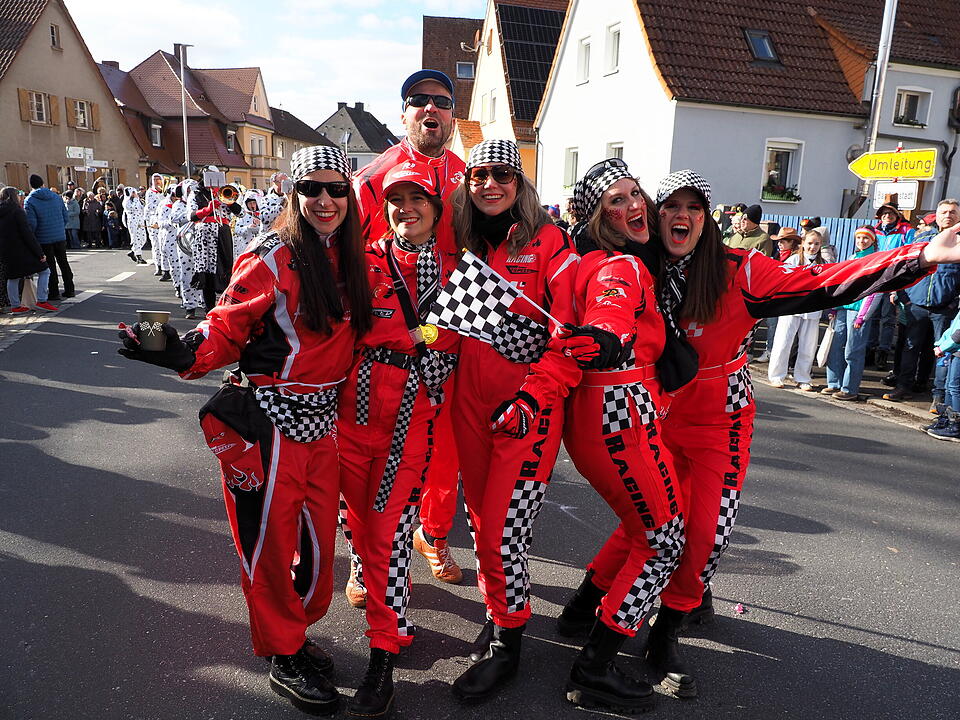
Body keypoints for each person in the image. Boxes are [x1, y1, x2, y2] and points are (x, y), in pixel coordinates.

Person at [559, 169, 960, 698]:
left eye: (694, 208)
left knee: (703, 536)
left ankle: (665, 634)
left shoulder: (740, 270)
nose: (681, 217)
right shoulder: (638, 262)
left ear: (709, 218)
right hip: (654, 415)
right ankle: (586, 607)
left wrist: (919, 258)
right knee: (654, 523)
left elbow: (824, 282)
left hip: (720, 421)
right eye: (671, 207)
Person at [117, 146, 372, 717]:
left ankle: (295, 633)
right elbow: (223, 325)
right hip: (267, 428)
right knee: (267, 544)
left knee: (316, 545)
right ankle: (281, 649)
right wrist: (170, 345)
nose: (325, 201)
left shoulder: (353, 257)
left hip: (322, 428)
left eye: (336, 190)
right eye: (312, 190)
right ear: (295, 196)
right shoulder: (270, 257)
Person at [555, 159, 695, 713]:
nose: (635, 206)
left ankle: (579, 613)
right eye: (617, 200)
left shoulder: (586, 261)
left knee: (646, 527)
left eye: (636, 194)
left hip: (602, 416)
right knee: (663, 540)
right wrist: (607, 337)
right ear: (597, 216)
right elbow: (610, 314)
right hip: (620, 415)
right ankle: (595, 666)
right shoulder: (622, 266)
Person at [447, 139, 580, 703]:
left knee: (505, 529)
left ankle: (509, 642)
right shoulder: (456, 241)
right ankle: (501, 613)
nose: (490, 184)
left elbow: (569, 339)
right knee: (481, 521)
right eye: (479, 175)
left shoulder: (551, 242)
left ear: (520, 183)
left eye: (502, 174)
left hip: (526, 413)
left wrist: (532, 397)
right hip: (466, 406)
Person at [338, 162, 460, 718]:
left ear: (437, 210)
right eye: (395, 199)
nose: (405, 207)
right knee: (356, 523)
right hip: (352, 416)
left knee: (387, 531)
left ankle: (382, 655)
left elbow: (475, 342)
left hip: (414, 421)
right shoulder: (360, 264)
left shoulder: (460, 271)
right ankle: (374, 584)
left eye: (418, 198)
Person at [349, 69, 468, 601]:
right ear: (403, 112)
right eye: (418, 101)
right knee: (377, 459)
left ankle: (433, 534)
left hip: (452, 338)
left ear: (451, 114)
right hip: (387, 346)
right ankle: (364, 557)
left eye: (441, 102)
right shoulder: (375, 177)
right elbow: (336, 247)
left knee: (447, 450)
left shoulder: (471, 177)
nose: (430, 109)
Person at [883, 199, 960, 406]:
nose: (948, 215)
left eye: (953, 212)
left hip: (945, 308)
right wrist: (903, 297)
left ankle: (938, 395)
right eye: (944, 211)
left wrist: (953, 304)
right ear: (937, 214)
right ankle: (904, 386)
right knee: (911, 347)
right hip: (916, 305)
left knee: (941, 351)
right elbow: (906, 266)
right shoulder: (924, 238)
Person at [823, 227, 882, 400]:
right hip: (843, 308)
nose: (862, 241)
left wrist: (863, 315)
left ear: (873, 241)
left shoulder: (875, 260)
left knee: (853, 350)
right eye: (859, 238)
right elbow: (842, 284)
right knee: (835, 347)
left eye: (866, 238)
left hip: (859, 311)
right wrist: (834, 307)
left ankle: (849, 388)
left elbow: (875, 290)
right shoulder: (852, 258)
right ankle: (834, 383)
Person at [767, 230, 829, 390]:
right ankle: (776, 375)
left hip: (812, 309)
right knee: (783, 342)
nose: (812, 247)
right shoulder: (794, 260)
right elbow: (782, 281)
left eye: (816, 244)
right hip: (791, 307)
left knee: (808, 345)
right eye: (809, 243)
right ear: (803, 243)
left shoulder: (824, 263)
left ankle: (803, 377)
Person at [870, 202, 916, 369]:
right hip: (874, 278)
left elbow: (909, 255)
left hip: (892, 278)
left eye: (891, 213)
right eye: (884, 213)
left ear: (897, 216)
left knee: (888, 317)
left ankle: (883, 352)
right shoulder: (874, 232)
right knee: (872, 315)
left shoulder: (906, 232)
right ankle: (871, 348)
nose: (887, 216)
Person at [0, 186, 57, 313]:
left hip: (6, 250)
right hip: (21, 250)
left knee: (12, 277)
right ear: (14, 196)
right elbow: (27, 234)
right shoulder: (17, 211)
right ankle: (41, 300)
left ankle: (15, 305)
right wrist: (39, 253)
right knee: (44, 270)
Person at [23, 174, 74, 301]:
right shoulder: (56, 197)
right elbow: (65, 216)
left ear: (31, 185)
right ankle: (70, 289)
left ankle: (54, 292)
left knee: (49, 266)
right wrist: (60, 228)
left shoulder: (30, 200)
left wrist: (32, 238)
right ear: (43, 183)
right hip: (59, 235)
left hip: (43, 237)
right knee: (63, 262)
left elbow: (32, 224)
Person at [144, 173, 166, 273]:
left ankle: (167, 267)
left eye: (158, 179)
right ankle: (159, 266)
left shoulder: (165, 192)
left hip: (164, 220)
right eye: (155, 179)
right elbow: (150, 207)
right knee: (156, 244)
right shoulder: (150, 192)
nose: (157, 181)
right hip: (154, 220)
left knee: (165, 245)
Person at [123, 188, 148, 264]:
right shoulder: (126, 201)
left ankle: (133, 251)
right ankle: (139, 256)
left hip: (140, 221)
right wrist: (137, 199)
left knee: (143, 238)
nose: (136, 193)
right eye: (134, 192)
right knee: (136, 239)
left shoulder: (137, 200)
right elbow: (134, 208)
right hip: (133, 222)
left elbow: (142, 208)